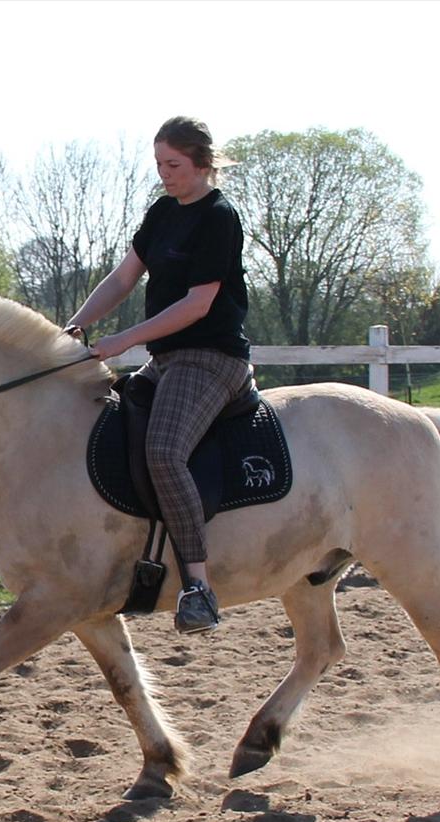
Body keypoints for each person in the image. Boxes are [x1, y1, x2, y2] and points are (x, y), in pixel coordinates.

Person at [65, 116, 251, 634]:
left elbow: (198, 305)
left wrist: (123, 341)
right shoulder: (164, 212)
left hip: (211, 358)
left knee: (164, 450)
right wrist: (78, 324)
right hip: (166, 361)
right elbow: (125, 277)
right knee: (102, 428)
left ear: (202, 164)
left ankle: (198, 586)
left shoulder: (218, 217)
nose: (164, 175)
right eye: (159, 165)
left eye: (173, 165)